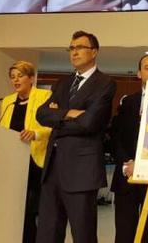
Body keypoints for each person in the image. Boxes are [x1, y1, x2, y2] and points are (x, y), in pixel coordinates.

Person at [36, 31, 116, 243]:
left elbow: (90, 123)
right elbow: (41, 114)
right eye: (71, 48)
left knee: (83, 234)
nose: (74, 52)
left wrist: (57, 115)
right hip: (52, 168)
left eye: (80, 47)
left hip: (81, 171)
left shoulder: (105, 83)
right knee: (47, 233)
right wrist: (69, 113)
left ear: (94, 52)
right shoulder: (64, 82)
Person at [110, 55, 148, 243]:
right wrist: (127, 164)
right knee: (124, 233)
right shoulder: (128, 102)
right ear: (139, 73)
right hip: (127, 176)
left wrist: (143, 165)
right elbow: (115, 137)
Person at [0, 61, 52, 243]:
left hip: (35, 161)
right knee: (15, 209)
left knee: (31, 210)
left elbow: (54, 127)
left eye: (20, 76)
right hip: (13, 162)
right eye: (12, 77)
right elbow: (3, 129)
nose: (16, 80)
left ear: (31, 78)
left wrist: (35, 133)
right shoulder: (7, 102)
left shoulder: (45, 96)